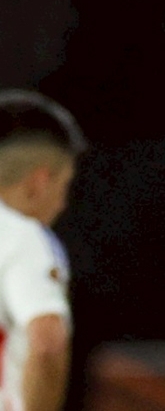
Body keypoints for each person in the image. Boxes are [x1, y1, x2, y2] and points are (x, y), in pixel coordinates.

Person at [0, 90, 85, 411]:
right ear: (39, 182)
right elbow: (47, 342)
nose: (62, 204)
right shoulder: (22, 237)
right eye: (64, 186)